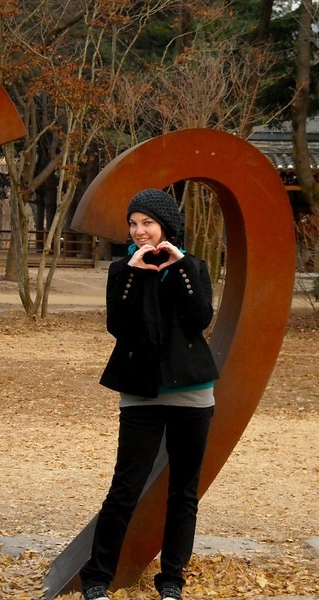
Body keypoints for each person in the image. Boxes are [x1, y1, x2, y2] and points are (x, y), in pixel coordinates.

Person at [80, 188, 219, 600]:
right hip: (141, 391)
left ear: (166, 226)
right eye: (133, 224)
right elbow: (119, 327)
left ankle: (172, 580)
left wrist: (178, 268)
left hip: (192, 392)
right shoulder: (122, 269)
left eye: (148, 223)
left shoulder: (192, 265)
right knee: (126, 487)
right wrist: (134, 273)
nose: (139, 231)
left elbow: (200, 319)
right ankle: (96, 578)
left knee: (183, 491)